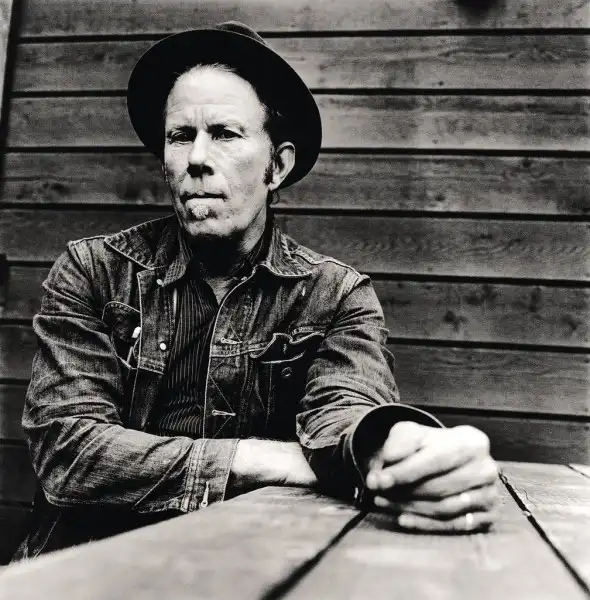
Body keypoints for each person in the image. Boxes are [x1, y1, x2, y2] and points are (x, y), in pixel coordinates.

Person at [14, 22, 498, 560]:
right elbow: (68, 452)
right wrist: (266, 459)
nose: (197, 158)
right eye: (180, 136)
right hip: (84, 570)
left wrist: (392, 451)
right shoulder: (94, 271)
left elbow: (344, 411)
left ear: (277, 166)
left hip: (243, 572)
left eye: (225, 133)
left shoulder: (334, 295)